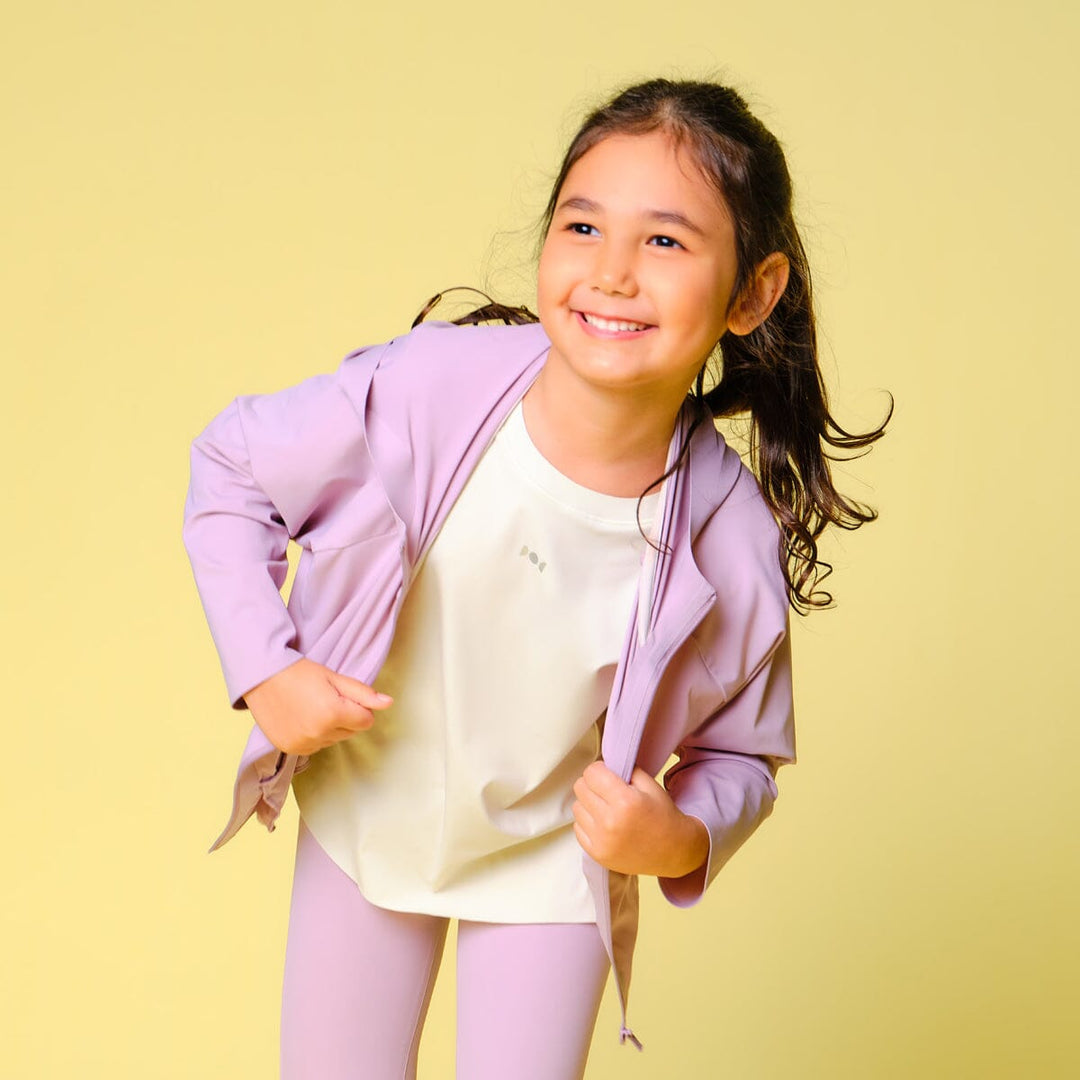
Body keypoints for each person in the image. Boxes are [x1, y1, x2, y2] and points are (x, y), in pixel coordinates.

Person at [183, 77, 887, 1080]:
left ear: (752, 294)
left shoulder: (728, 537)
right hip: (367, 808)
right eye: (583, 226)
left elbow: (741, 756)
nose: (611, 273)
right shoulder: (426, 390)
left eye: (665, 241)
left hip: (553, 862)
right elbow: (233, 468)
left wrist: (678, 837)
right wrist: (268, 669)